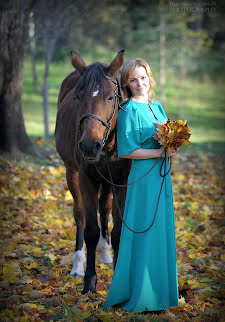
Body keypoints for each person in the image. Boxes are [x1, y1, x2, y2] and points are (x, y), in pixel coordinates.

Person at [103, 58, 179, 313]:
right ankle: (141, 294)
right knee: (145, 234)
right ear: (127, 83)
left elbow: (169, 143)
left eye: (143, 78)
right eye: (133, 80)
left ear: (149, 78)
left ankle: (161, 293)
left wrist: (173, 145)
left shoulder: (157, 106)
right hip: (144, 179)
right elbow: (127, 150)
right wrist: (160, 154)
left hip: (162, 178)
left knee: (161, 232)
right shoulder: (127, 111)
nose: (139, 83)